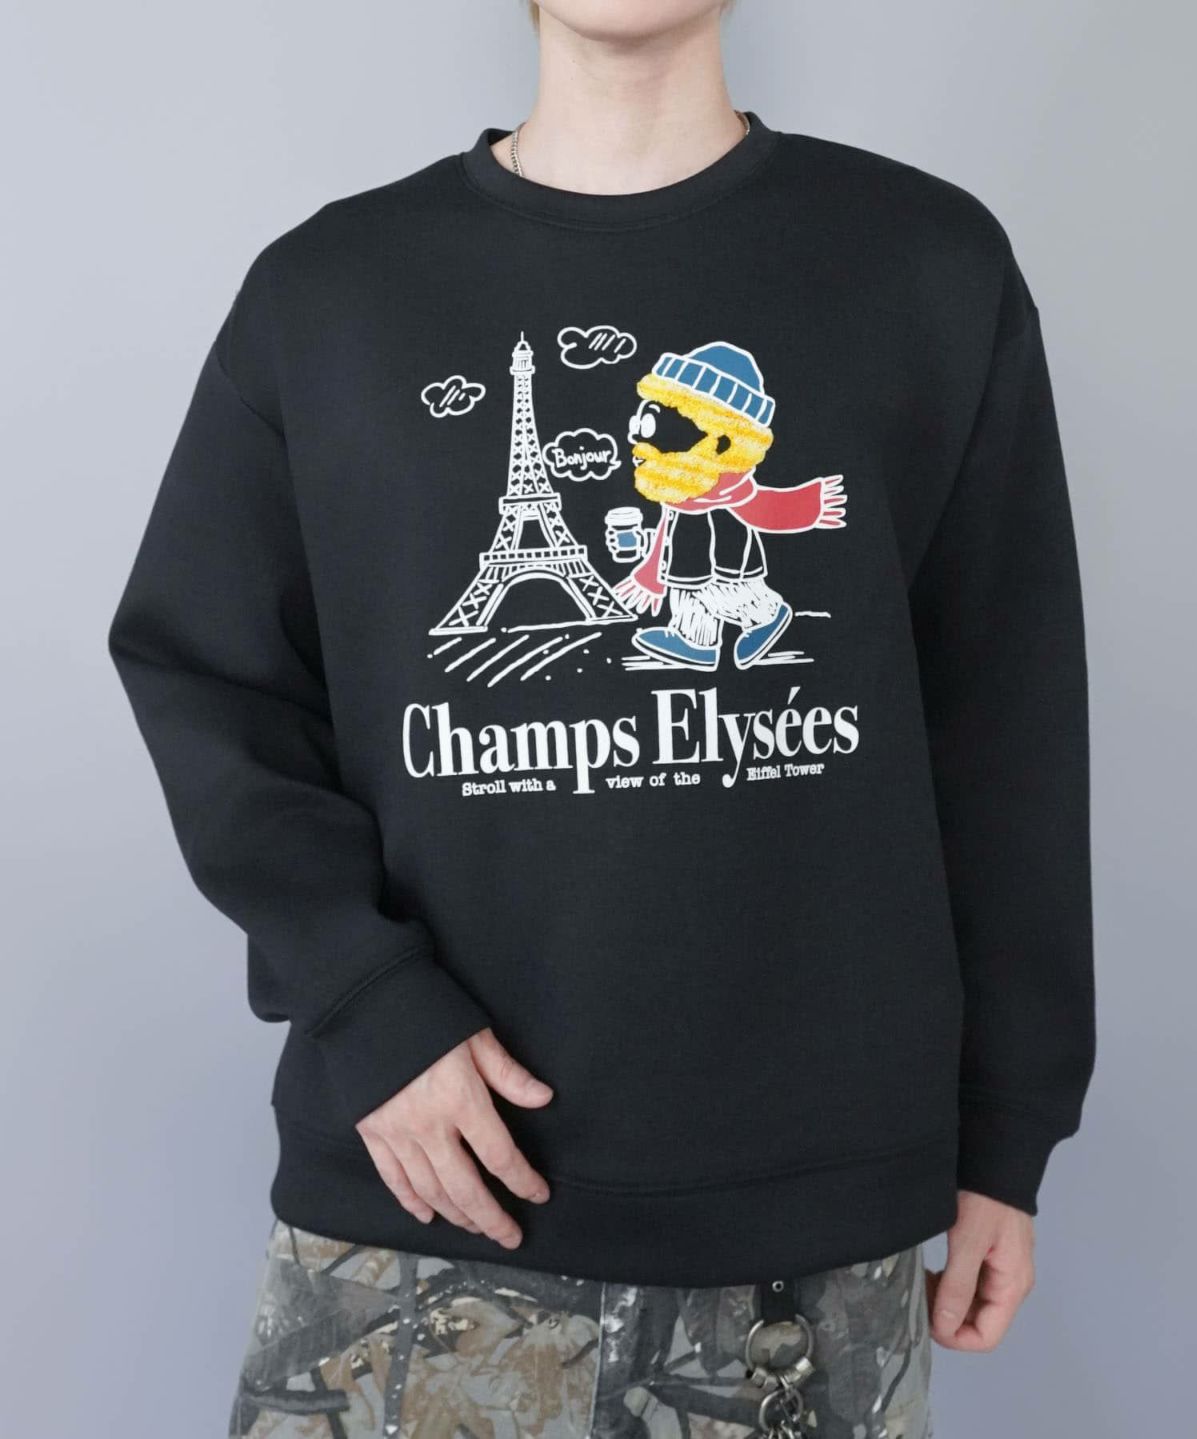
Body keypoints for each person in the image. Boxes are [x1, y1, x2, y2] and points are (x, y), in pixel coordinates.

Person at [108, 1, 1096, 1434]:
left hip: (808, 1228)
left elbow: (1006, 728)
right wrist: (367, 1001)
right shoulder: (326, 292)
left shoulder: (927, 263)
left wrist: (1008, 1130)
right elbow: (206, 676)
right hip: (424, 1193)